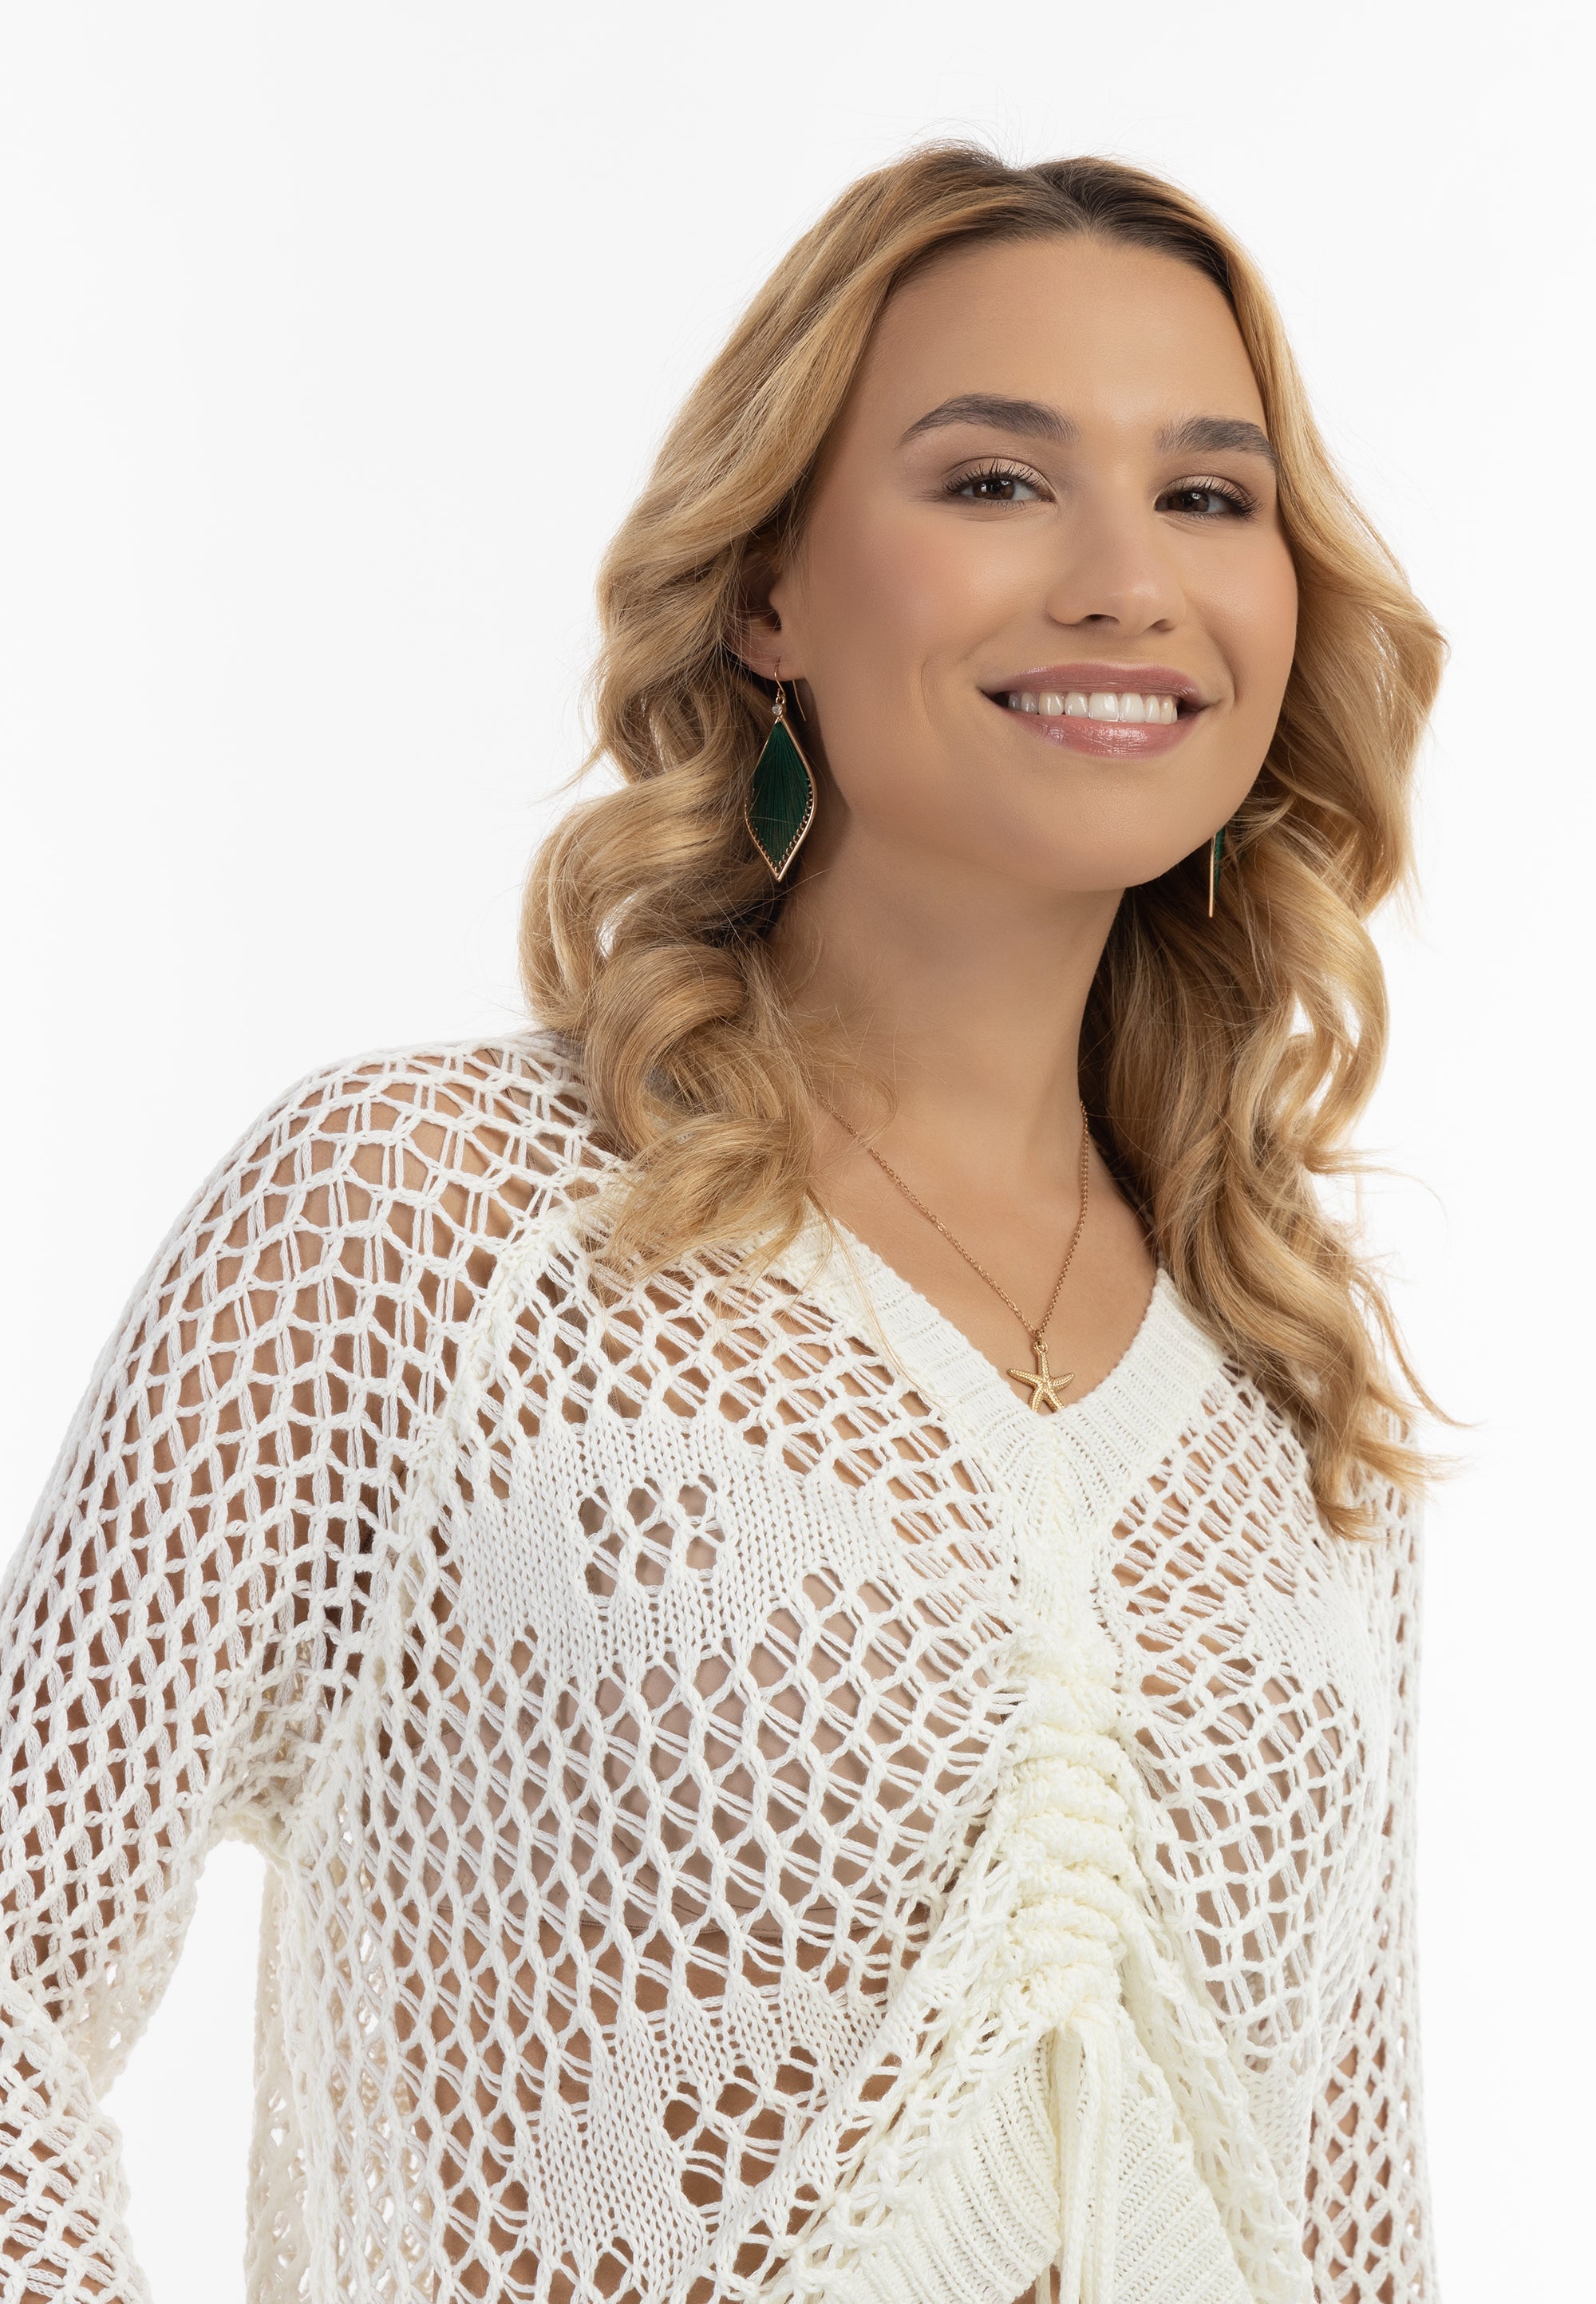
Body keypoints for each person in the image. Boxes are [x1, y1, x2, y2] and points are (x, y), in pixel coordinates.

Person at [0, 146, 1445, 2304]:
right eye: (995, 482)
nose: (1129, 582)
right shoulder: (426, 1225)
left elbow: (1353, 2221)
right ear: (770, 590)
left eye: (1209, 496)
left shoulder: (1286, 1369)